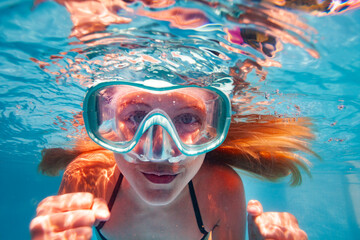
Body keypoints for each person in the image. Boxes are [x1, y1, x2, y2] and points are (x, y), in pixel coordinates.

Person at [30, 79, 313, 240]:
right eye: (136, 116)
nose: (159, 152)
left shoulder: (222, 187)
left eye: (188, 118)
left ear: (211, 128)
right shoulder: (87, 174)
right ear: (107, 123)